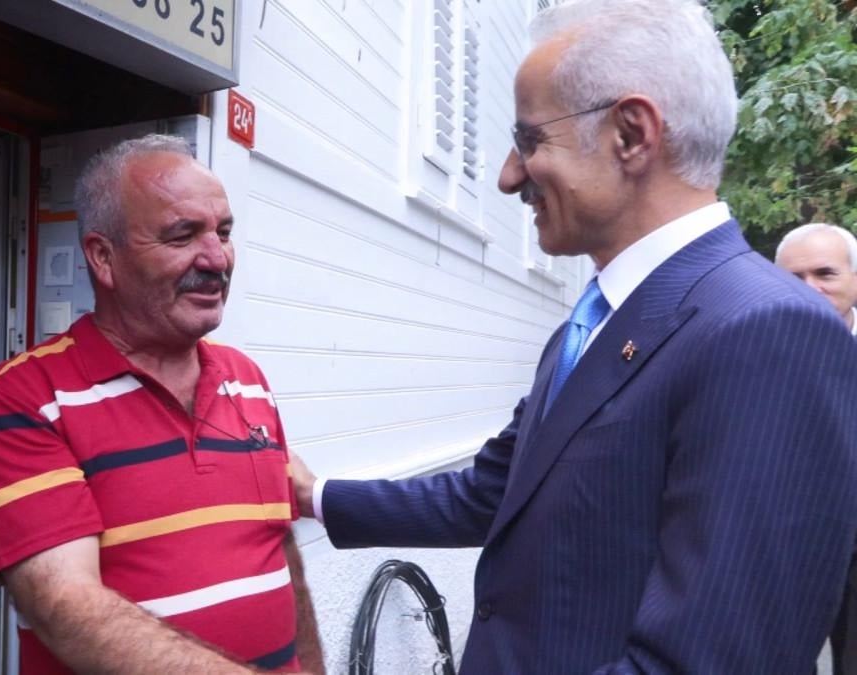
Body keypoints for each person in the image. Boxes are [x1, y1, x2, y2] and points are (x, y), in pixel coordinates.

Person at [290, 0, 857, 672]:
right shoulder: (590, 325)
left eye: (530, 140)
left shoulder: (767, 329)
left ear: (631, 134)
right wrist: (313, 495)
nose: (508, 175)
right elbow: (493, 495)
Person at [0, 135, 323, 674]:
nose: (217, 258)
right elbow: (65, 606)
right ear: (103, 258)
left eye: (224, 232)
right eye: (183, 235)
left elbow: (281, 551)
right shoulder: (26, 398)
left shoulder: (247, 380)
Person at [776, 222, 857, 674]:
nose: (810, 288)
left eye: (825, 273)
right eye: (794, 277)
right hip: (780, 547)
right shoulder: (748, 351)